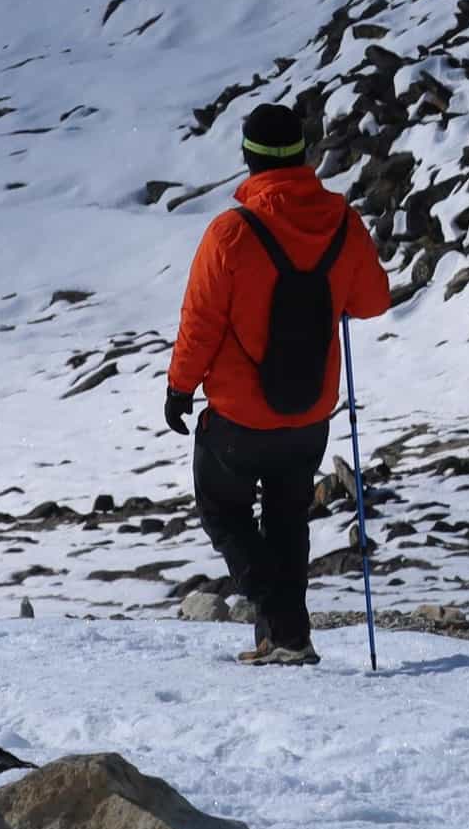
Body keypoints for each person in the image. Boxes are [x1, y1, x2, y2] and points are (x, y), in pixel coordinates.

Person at [166, 101, 392, 665]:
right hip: (310, 409)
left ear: (248, 158)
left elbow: (201, 322)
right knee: (288, 520)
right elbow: (373, 300)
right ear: (302, 153)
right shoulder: (342, 220)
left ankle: (285, 626)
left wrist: (179, 388)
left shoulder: (232, 233)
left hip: (241, 415)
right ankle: (282, 639)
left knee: (223, 513)